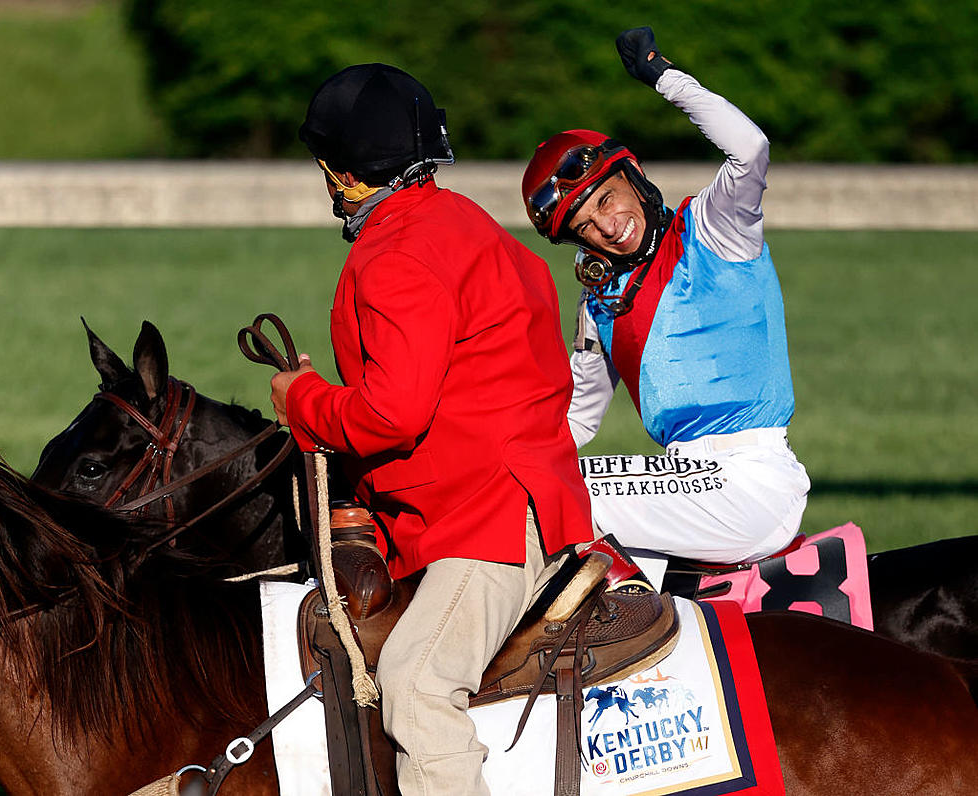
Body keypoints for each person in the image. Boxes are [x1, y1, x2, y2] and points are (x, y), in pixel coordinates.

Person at [269, 63, 593, 795]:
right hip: (523, 498)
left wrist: (304, 401)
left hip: (487, 522)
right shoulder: (475, 228)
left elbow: (392, 412)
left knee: (415, 683)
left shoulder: (396, 256)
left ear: (341, 172)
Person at [521, 26, 810, 564]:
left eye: (607, 199)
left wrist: (664, 76)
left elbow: (750, 149)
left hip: (751, 483)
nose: (607, 227)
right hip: (685, 480)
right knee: (526, 486)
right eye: (585, 225)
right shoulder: (598, 303)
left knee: (547, 499)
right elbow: (575, 419)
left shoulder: (715, 227)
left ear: (633, 176)